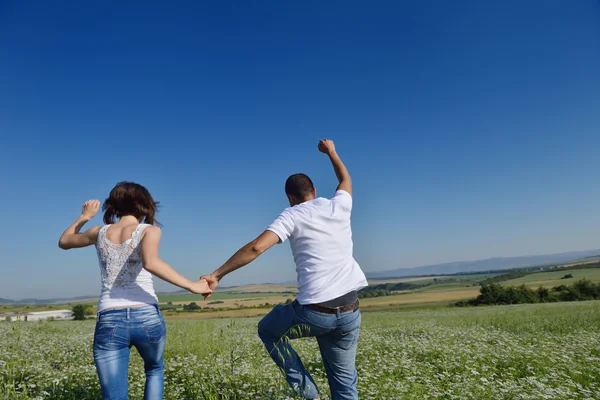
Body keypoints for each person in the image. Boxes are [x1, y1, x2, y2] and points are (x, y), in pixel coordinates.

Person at [201, 140, 368, 400]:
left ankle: (309, 394)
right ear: (314, 190)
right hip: (349, 310)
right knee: (344, 383)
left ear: (290, 198)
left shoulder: (292, 215)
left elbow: (257, 248)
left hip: (314, 313)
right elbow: (345, 178)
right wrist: (332, 153)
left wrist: (216, 274)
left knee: (268, 331)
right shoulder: (339, 205)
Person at [58, 182, 211, 400]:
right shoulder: (149, 230)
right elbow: (151, 263)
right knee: (154, 370)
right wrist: (192, 285)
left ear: (114, 206)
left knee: (114, 395)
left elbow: (64, 241)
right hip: (146, 315)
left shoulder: (98, 232)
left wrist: (84, 216)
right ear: (145, 206)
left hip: (110, 318)